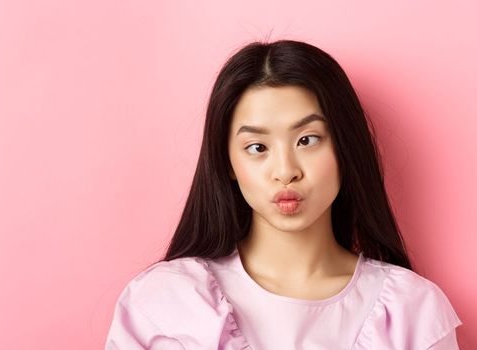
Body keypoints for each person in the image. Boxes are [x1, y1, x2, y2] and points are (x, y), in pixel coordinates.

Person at [104, 40, 462, 349]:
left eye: (307, 140)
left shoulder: (409, 310)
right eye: (257, 147)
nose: (285, 170)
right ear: (226, 162)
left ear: (344, 149)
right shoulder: (165, 303)